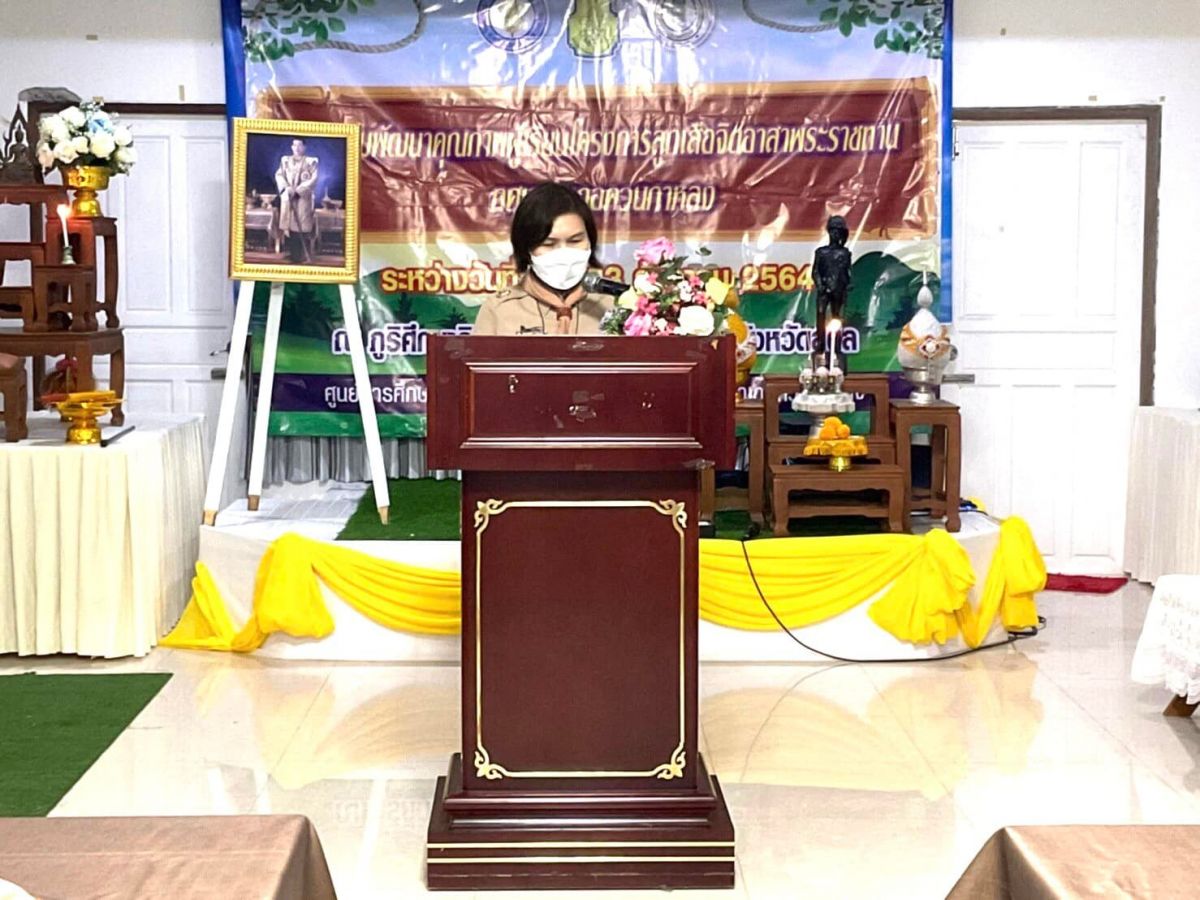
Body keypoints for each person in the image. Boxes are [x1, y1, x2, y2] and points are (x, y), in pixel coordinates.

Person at [473, 182, 612, 335]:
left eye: (575, 241)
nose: (563, 253)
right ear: (526, 248)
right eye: (548, 244)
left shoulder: (614, 305)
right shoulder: (499, 310)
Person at [275, 138, 319, 263]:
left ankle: (302, 255)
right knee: (289, 225)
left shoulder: (311, 162)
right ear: (291, 147)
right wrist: (287, 188)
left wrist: (299, 190)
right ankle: (292, 253)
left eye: (300, 145)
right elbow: (279, 175)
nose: (297, 148)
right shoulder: (285, 161)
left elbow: (314, 179)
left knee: (301, 226)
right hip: (289, 197)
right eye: (294, 145)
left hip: (302, 199)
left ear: (304, 147)